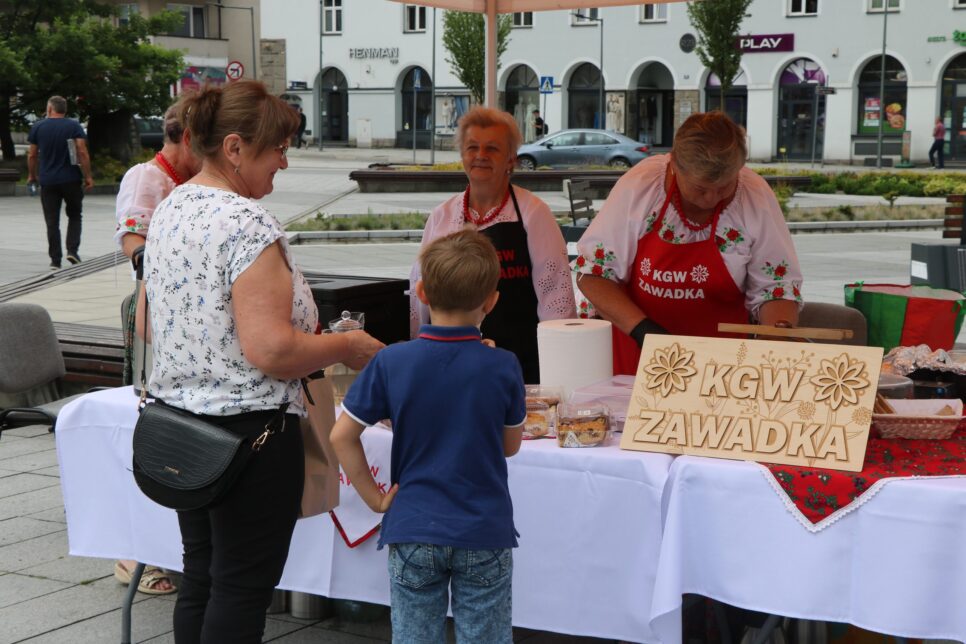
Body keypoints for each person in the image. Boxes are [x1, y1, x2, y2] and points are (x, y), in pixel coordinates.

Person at [143, 79, 383, 643]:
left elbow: (151, 325)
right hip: (249, 437)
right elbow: (272, 350)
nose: (284, 160)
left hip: (183, 427)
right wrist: (347, 346)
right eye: (277, 147)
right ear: (233, 148)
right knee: (241, 588)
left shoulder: (171, 207)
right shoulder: (246, 222)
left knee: (201, 577)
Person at [332, 229, 525, 644]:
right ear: (491, 300)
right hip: (482, 527)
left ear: (419, 291)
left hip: (413, 521)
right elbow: (509, 447)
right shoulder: (503, 365)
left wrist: (374, 498)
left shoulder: (391, 361)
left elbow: (341, 436)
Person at [575, 111, 803, 375]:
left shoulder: (754, 198)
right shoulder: (642, 186)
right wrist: (643, 330)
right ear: (674, 164)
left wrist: (773, 343)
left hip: (722, 367)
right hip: (637, 357)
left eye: (723, 187)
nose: (711, 199)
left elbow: (776, 287)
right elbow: (593, 273)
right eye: (700, 188)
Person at [410, 106, 576, 383]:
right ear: (462, 155)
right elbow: (420, 297)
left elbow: (555, 299)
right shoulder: (442, 216)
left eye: (492, 149)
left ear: (511, 159)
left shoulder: (533, 213)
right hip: (450, 368)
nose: (481, 156)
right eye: (472, 147)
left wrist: (556, 372)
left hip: (520, 369)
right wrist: (418, 351)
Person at [110, 100, 203, 597]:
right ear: (187, 138)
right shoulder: (149, 177)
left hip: (179, 317)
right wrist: (153, 259)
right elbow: (130, 234)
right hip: (156, 314)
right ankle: (133, 555)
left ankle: (162, 545)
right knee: (154, 427)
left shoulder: (185, 180)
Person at [26, 95, 94, 270]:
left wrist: (32, 175)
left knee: (52, 221)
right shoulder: (73, 126)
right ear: (65, 110)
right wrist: (88, 176)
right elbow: (82, 151)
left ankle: (55, 260)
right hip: (71, 179)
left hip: (48, 181)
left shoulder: (38, 127)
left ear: (49, 109)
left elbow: (32, 154)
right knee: (75, 215)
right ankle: (72, 251)